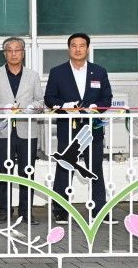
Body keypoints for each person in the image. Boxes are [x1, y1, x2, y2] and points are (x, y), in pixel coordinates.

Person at [45, 32, 113, 224]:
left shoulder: (99, 71)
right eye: (74, 45)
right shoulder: (57, 72)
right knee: (64, 166)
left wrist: (96, 107)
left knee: (95, 167)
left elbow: (107, 98)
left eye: (82, 45)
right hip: (68, 126)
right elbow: (49, 98)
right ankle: (61, 210)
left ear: (87, 48)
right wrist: (65, 106)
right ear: (69, 49)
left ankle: (99, 211)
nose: (78, 49)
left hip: (93, 127)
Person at [0, 36, 44, 226]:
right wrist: (3, 107)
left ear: (23, 53)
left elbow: (40, 101)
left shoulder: (33, 75)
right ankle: (4, 211)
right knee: (3, 171)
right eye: (9, 50)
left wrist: (33, 107)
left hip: (27, 131)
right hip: (3, 130)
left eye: (17, 50)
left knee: (27, 171)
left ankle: (26, 212)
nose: (14, 54)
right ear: (4, 54)